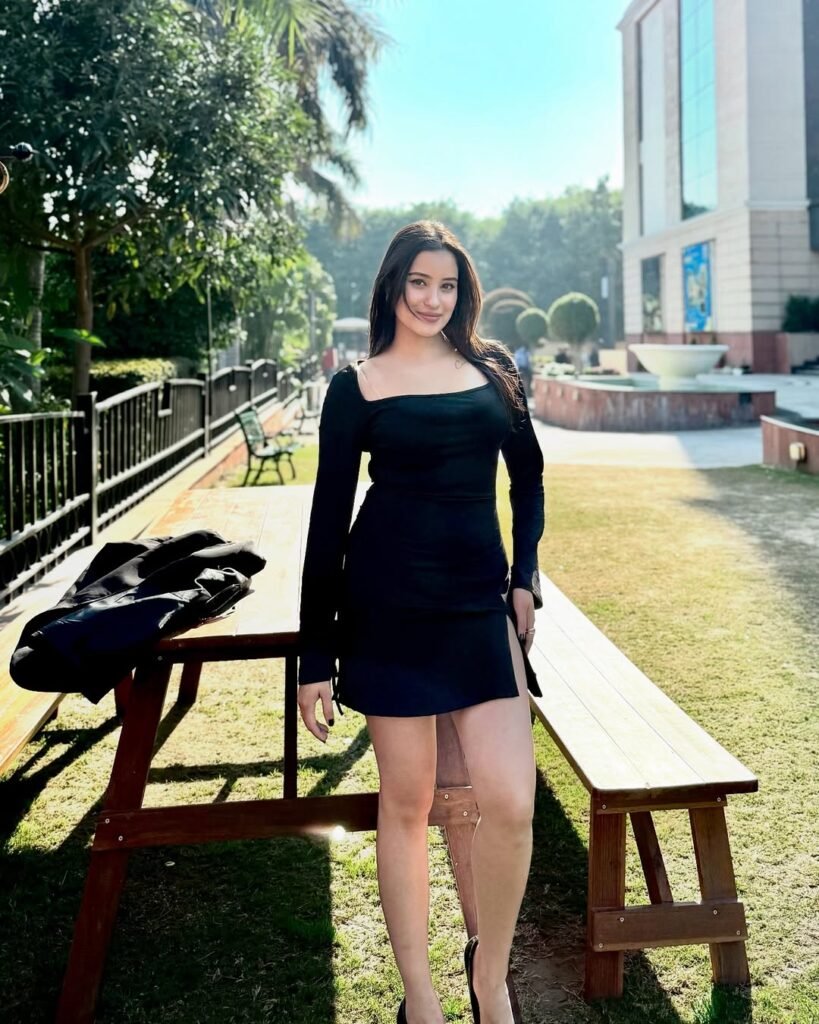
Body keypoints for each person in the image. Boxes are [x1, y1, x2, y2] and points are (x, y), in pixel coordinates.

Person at [298, 221, 545, 1024]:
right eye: (418, 284)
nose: (433, 300)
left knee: (509, 800)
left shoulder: (492, 370)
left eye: (446, 286)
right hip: (387, 610)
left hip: (477, 606)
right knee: (405, 806)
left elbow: (529, 481)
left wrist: (524, 579)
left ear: (460, 292)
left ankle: (491, 979)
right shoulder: (356, 387)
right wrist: (312, 658)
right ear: (393, 288)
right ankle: (422, 1001)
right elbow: (328, 524)